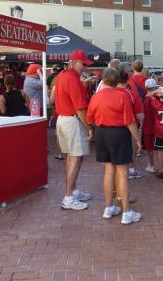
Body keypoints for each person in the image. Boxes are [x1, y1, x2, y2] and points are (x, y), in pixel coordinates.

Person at [86, 68, 142, 224]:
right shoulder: (122, 95)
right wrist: (137, 139)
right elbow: (130, 121)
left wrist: (91, 132)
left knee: (108, 171)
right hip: (118, 133)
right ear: (118, 81)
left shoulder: (96, 97)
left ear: (103, 80)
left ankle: (109, 207)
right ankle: (126, 212)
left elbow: (90, 118)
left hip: (101, 133)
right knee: (122, 172)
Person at [54, 50, 94, 210]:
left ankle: (73, 191)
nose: (84, 67)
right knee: (75, 158)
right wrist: (90, 127)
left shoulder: (62, 75)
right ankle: (69, 197)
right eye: (83, 64)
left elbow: (56, 97)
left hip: (63, 119)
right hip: (72, 120)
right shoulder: (73, 79)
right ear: (75, 62)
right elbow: (80, 110)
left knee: (72, 157)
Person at [142, 79, 159, 173]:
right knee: (158, 147)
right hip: (157, 125)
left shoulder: (146, 99)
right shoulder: (157, 98)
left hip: (148, 126)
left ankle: (152, 164)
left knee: (150, 148)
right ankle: (159, 164)